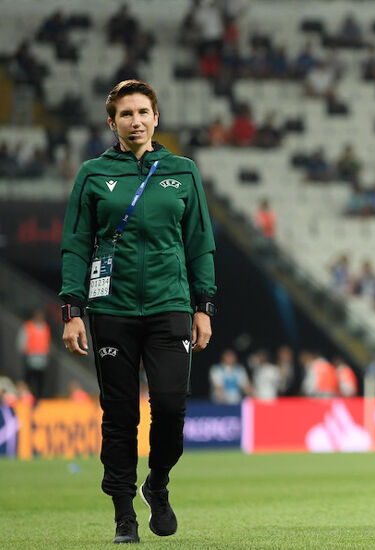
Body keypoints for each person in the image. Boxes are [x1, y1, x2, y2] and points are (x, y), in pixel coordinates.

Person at [60, 80, 216, 544]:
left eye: (143, 112)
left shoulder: (182, 172)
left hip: (170, 305)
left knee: (170, 407)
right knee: (119, 414)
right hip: (113, 309)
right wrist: (72, 310)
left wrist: (203, 306)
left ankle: (158, 483)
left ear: (156, 118)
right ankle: (123, 513)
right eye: (126, 114)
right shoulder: (92, 174)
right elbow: (74, 245)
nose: (136, 120)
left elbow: (200, 245)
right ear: (112, 122)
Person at [17, 308, 51, 399]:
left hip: (42, 358)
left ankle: (38, 398)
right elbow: (22, 340)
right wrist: (24, 352)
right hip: (31, 357)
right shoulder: (28, 326)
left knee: (40, 381)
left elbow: (47, 342)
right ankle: (26, 397)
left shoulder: (45, 327)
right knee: (28, 379)